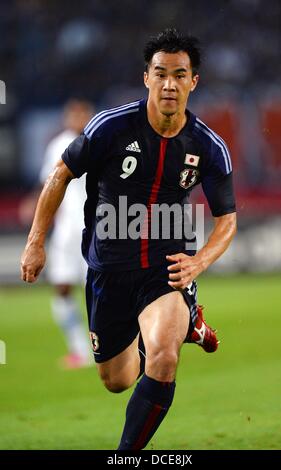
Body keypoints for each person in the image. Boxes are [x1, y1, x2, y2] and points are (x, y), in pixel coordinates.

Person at [21, 29, 237, 449]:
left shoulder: (208, 147)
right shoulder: (110, 127)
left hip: (166, 270)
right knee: (116, 380)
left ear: (194, 81)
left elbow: (226, 219)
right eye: (161, 74)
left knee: (162, 357)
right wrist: (35, 241)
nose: (169, 84)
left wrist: (199, 262)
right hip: (108, 270)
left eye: (180, 74)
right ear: (146, 78)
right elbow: (61, 175)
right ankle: (187, 326)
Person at [21, 99, 94, 369]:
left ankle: (110, 346)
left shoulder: (100, 139)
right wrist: (33, 204)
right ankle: (79, 348)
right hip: (66, 232)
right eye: (74, 114)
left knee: (99, 289)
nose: (79, 118)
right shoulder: (58, 144)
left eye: (84, 113)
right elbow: (49, 181)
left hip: (97, 230)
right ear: (67, 117)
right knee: (62, 287)